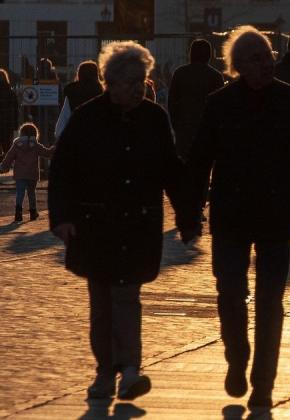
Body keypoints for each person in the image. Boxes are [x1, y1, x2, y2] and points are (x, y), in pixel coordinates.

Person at [48, 41, 193, 401]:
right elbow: (63, 170)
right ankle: (104, 372)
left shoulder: (154, 118)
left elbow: (170, 170)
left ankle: (129, 370)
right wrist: (63, 218)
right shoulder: (87, 118)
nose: (138, 87)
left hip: (138, 224)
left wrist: (188, 216)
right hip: (96, 226)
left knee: (127, 297)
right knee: (101, 304)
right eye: (130, 81)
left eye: (142, 79)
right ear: (109, 82)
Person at [185, 26, 290, 413]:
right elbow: (198, 162)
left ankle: (263, 384)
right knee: (229, 294)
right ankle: (236, 355)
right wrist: (190, 214)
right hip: (231, 216)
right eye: (255, 58)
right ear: (238, 66)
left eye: (267, 55)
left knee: (269, 302)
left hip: (278, 217)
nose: (266, 63)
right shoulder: (220, 103)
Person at [168, 39, 225, 161]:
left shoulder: (180, 73)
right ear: (209, 55)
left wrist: (177, 126)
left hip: (184, 130)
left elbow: (172, 102)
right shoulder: (215, 76)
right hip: (207, 132)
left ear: (191, 53)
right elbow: (221, 107)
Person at [0, 123, 53, 221]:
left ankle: (18, 213)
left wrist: (3, 167)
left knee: (20, 193)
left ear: (21, 133)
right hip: (32, 174)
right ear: (35, 133)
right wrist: (55, 147)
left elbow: (9, 157)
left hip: (20, 174)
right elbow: (47, 153)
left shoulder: (17, 145)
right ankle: (33, 213)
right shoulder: (36, 145)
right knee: (31, 193)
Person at [0, 68, 18, 155]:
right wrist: (15, 125)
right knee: (7, 146)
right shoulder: (11, 92)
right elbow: (15, 110)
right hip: (7, 124)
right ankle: (5, 165)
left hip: (6, 123)